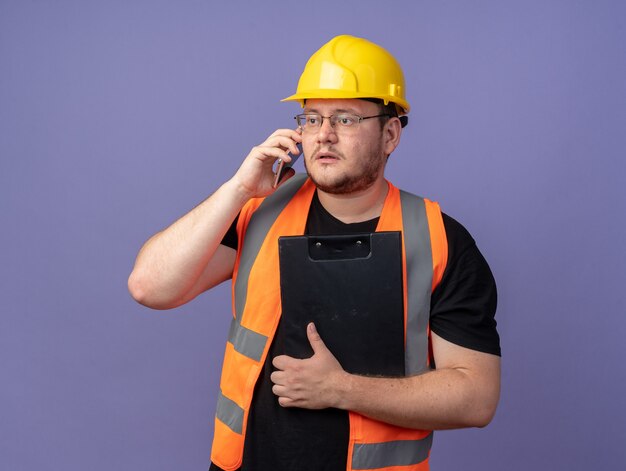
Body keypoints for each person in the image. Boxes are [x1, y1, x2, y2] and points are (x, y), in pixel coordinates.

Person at [128, 35, 501, 471]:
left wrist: (339, 389)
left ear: (390, 133)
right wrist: (237, 190)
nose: (323, 135)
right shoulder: (258, 211)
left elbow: (476, 399)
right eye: (310, 118)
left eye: (345, 118)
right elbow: (149, 287)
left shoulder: (437, 238)